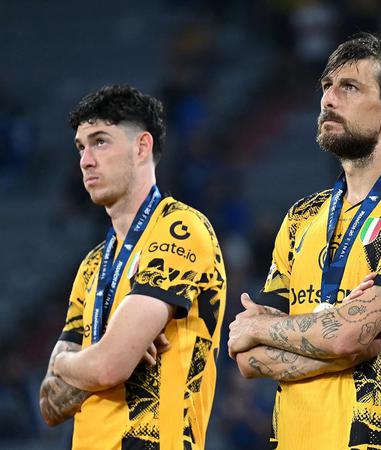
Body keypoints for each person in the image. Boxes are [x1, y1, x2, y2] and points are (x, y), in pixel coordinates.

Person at [227, 33, 381, 450]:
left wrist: (263, 326)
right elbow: (247, 357)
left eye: (349, 87)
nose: (329, 100)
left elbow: (344, 336)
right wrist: (340, 343)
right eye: (326, 86)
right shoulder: (301, 217)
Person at [38, 85, 226, 450]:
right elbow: (49, 404)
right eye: (80, 147)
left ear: (142, 147)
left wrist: (69, 362)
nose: (86, 160)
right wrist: (107, 353)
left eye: (100, 142)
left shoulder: (180, 230)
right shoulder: (92, 265)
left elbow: (109, 367)